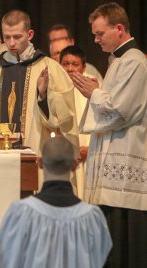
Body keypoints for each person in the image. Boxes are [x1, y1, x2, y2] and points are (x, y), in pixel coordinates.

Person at [70, 2, 147, 267]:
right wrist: (96, 92)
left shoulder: (134, 62)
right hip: (113, 159)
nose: (95, 39)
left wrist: (94, 93)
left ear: (119, 28)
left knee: (125, 243)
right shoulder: (118, 61)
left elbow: (120, 111)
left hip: (125, 162)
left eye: (100, 33)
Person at [0, 10, 79, 153]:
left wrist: (43, 96)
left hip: (37, 153)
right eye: (7, 37)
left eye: (17, 37)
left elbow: (66, 120)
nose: (11, 43)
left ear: (30, 35)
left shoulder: (50, 69)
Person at [0, 136, 112, 268]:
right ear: (75, 165)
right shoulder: (93, 217)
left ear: (39, 163)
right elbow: (100, 259)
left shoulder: (20, 212)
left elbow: (7, 259)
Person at [59, 45, 94, 198]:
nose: (70, 69)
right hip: (63, 158)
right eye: (66, 64)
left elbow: (101, 125)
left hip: (87, 156)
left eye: (75, 64)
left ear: (84, 67)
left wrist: (89, 149)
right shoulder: (54, 91)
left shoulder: (94, 92)